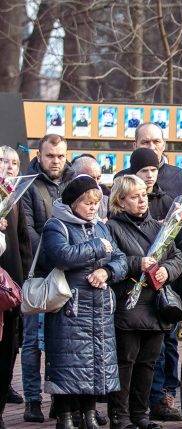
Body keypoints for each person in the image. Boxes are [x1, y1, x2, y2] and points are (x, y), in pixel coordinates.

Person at [41, 175, 127, 429]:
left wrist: (107, 272)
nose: (93, 208)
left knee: (94, 361)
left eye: (96, 203)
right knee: (69, 360)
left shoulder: (101, 227)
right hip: (71, 305)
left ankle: (90, 413)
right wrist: (98, 248)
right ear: (73, 202)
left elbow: (120, 259)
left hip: (99, 306)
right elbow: (62, 256)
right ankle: (66, 415)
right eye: (87, 203)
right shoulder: (56, 225)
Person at [106, 175, 182, 429]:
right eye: (135, 196)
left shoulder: (157, 226)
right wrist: (135, 263)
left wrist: (168, 271)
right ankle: (121, 415)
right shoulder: (112, 227)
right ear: (121, 200)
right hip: (128, 303)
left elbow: (176, 257)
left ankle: (141, 414)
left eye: (144, 195)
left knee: (148, 363)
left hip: (155, 305)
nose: (142, 200)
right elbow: (108, 260)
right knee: (125, 362)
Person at [19, 134, 74, 423]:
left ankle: (60, 400)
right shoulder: (26, 183)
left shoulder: (74, 181)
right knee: (32, 343)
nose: (55, 161)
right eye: (50, 155)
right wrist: (58, 253)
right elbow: (27, 231)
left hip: (70, 274)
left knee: (62, 341)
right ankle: (32, 400)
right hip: (39, 274)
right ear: (39, 154)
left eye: (60, 155)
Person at [0, 149, 31, 426]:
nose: (9, 167)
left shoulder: (16, 199)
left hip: (8, 290)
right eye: (2, 161)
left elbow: (23, 244)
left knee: (9, 346)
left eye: (14, 163)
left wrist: (21, 286)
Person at [116, 123, 182, 202]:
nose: (151, 147)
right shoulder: (121, 178)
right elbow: (114, 212)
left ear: (164, 145)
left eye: (156, 141)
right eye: (145, 142)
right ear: (135, 146)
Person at [129, 148, 173, 221]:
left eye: (153, 170)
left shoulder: (166, 201)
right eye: (144, 171)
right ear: (134, 173)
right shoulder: (125, 200)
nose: (149, 175)